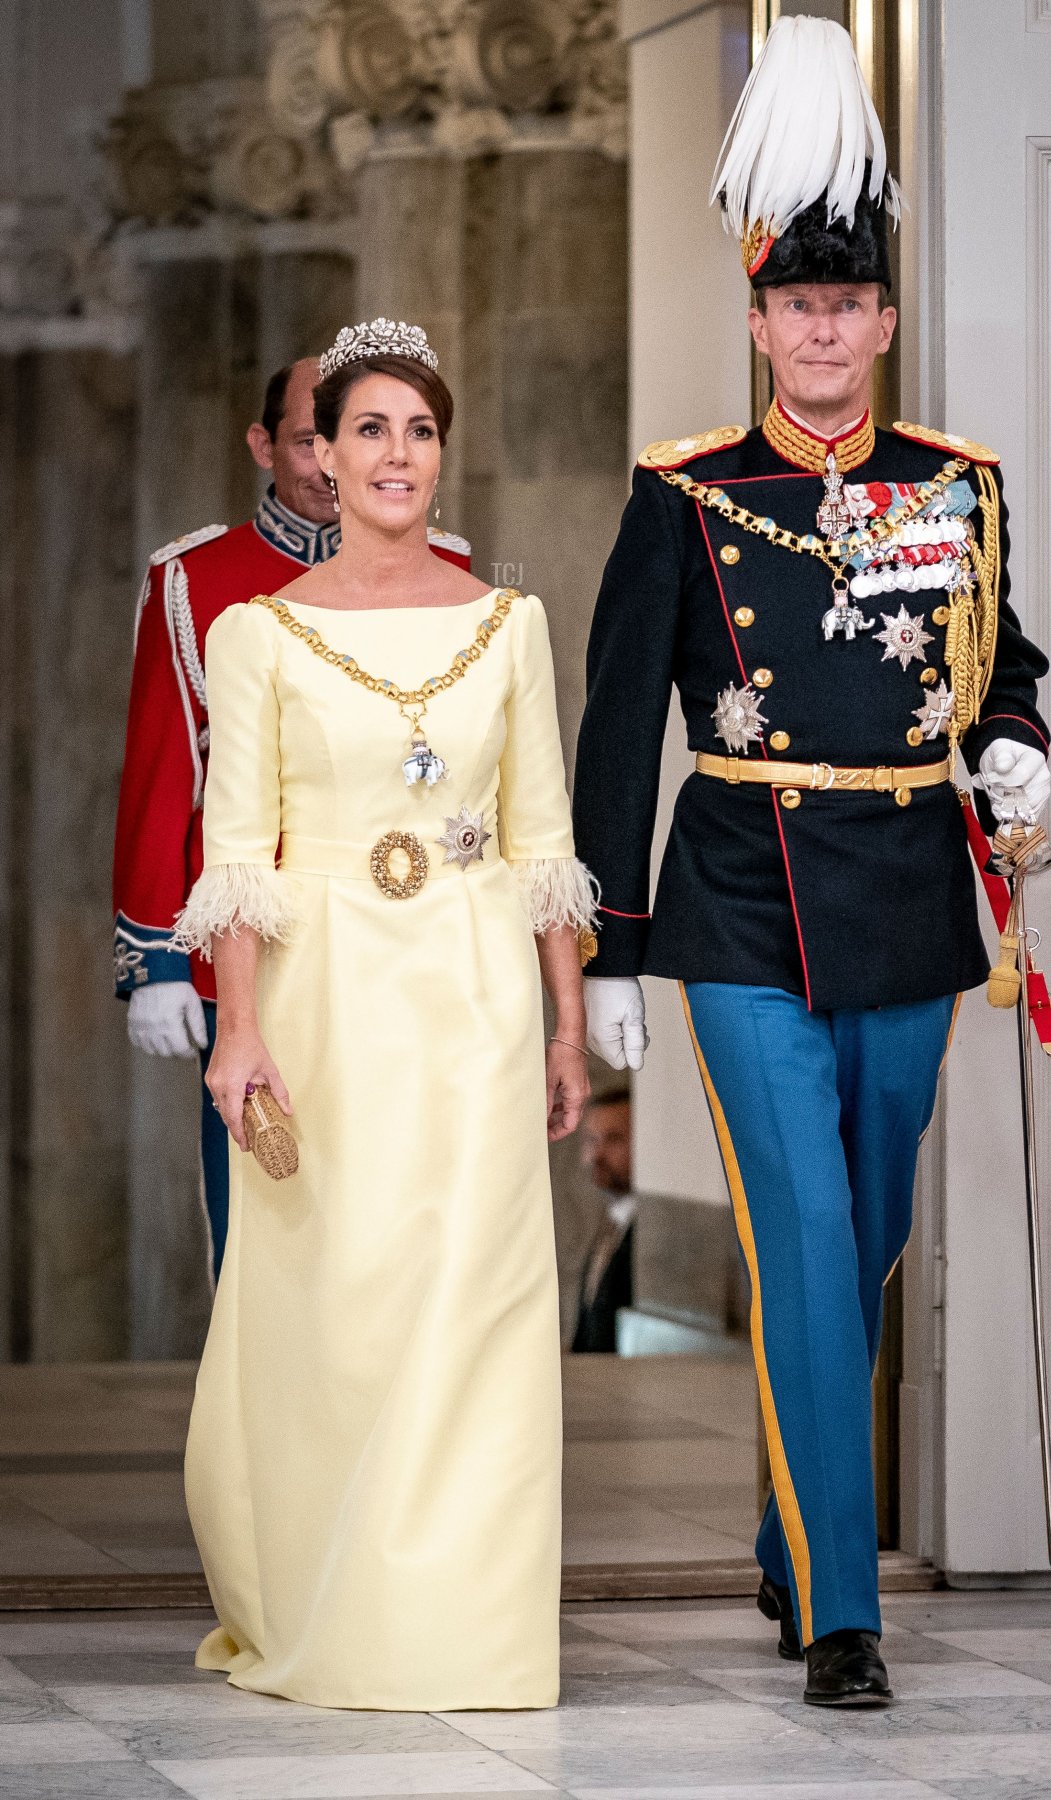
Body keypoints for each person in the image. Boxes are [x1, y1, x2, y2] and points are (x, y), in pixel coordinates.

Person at [572, 17, 1051, 1708]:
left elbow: (1007, 663)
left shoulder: (957, 487)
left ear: (884, 321)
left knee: (866, 1230)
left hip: (914, 892)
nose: (825, 327)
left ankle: (797, 1524)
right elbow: (620, 717)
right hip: (742, 897)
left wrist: (1014, 743)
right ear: (763, 319)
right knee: (800, 1231)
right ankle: (843, 1614)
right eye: (797, 304)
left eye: (850, 305)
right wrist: (616, 948)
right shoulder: (687, 496)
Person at [173, 317, 597, 1711]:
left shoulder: (511, 624)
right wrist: (238, 1034)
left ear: (440, 452)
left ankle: (471, 1632)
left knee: (477, 1299)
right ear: (322, 454)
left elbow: (543, 843)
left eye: (419, 429)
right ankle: (333, 1606)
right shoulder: (255, 636)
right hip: (326, 995)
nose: (396, 454)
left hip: (474, 985)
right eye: (368, 429)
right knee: (340, 1306)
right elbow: (237, 853)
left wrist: (562, 1027)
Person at [113, 357, 472, 1281]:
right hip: (256, 945)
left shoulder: (457, 575)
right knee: (265, 1212)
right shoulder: (196, 578)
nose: (326, 461)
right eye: (309, 437)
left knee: (403, 1206)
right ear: (264, 445)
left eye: (343, 432)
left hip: (407, 930)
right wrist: (155, 956)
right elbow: (166, 772)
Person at [572, 1086, 637, 1353]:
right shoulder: (610, 1222)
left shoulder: (653, 1233)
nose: (597, 1155)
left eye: (613, 1139)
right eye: (591, 1140)